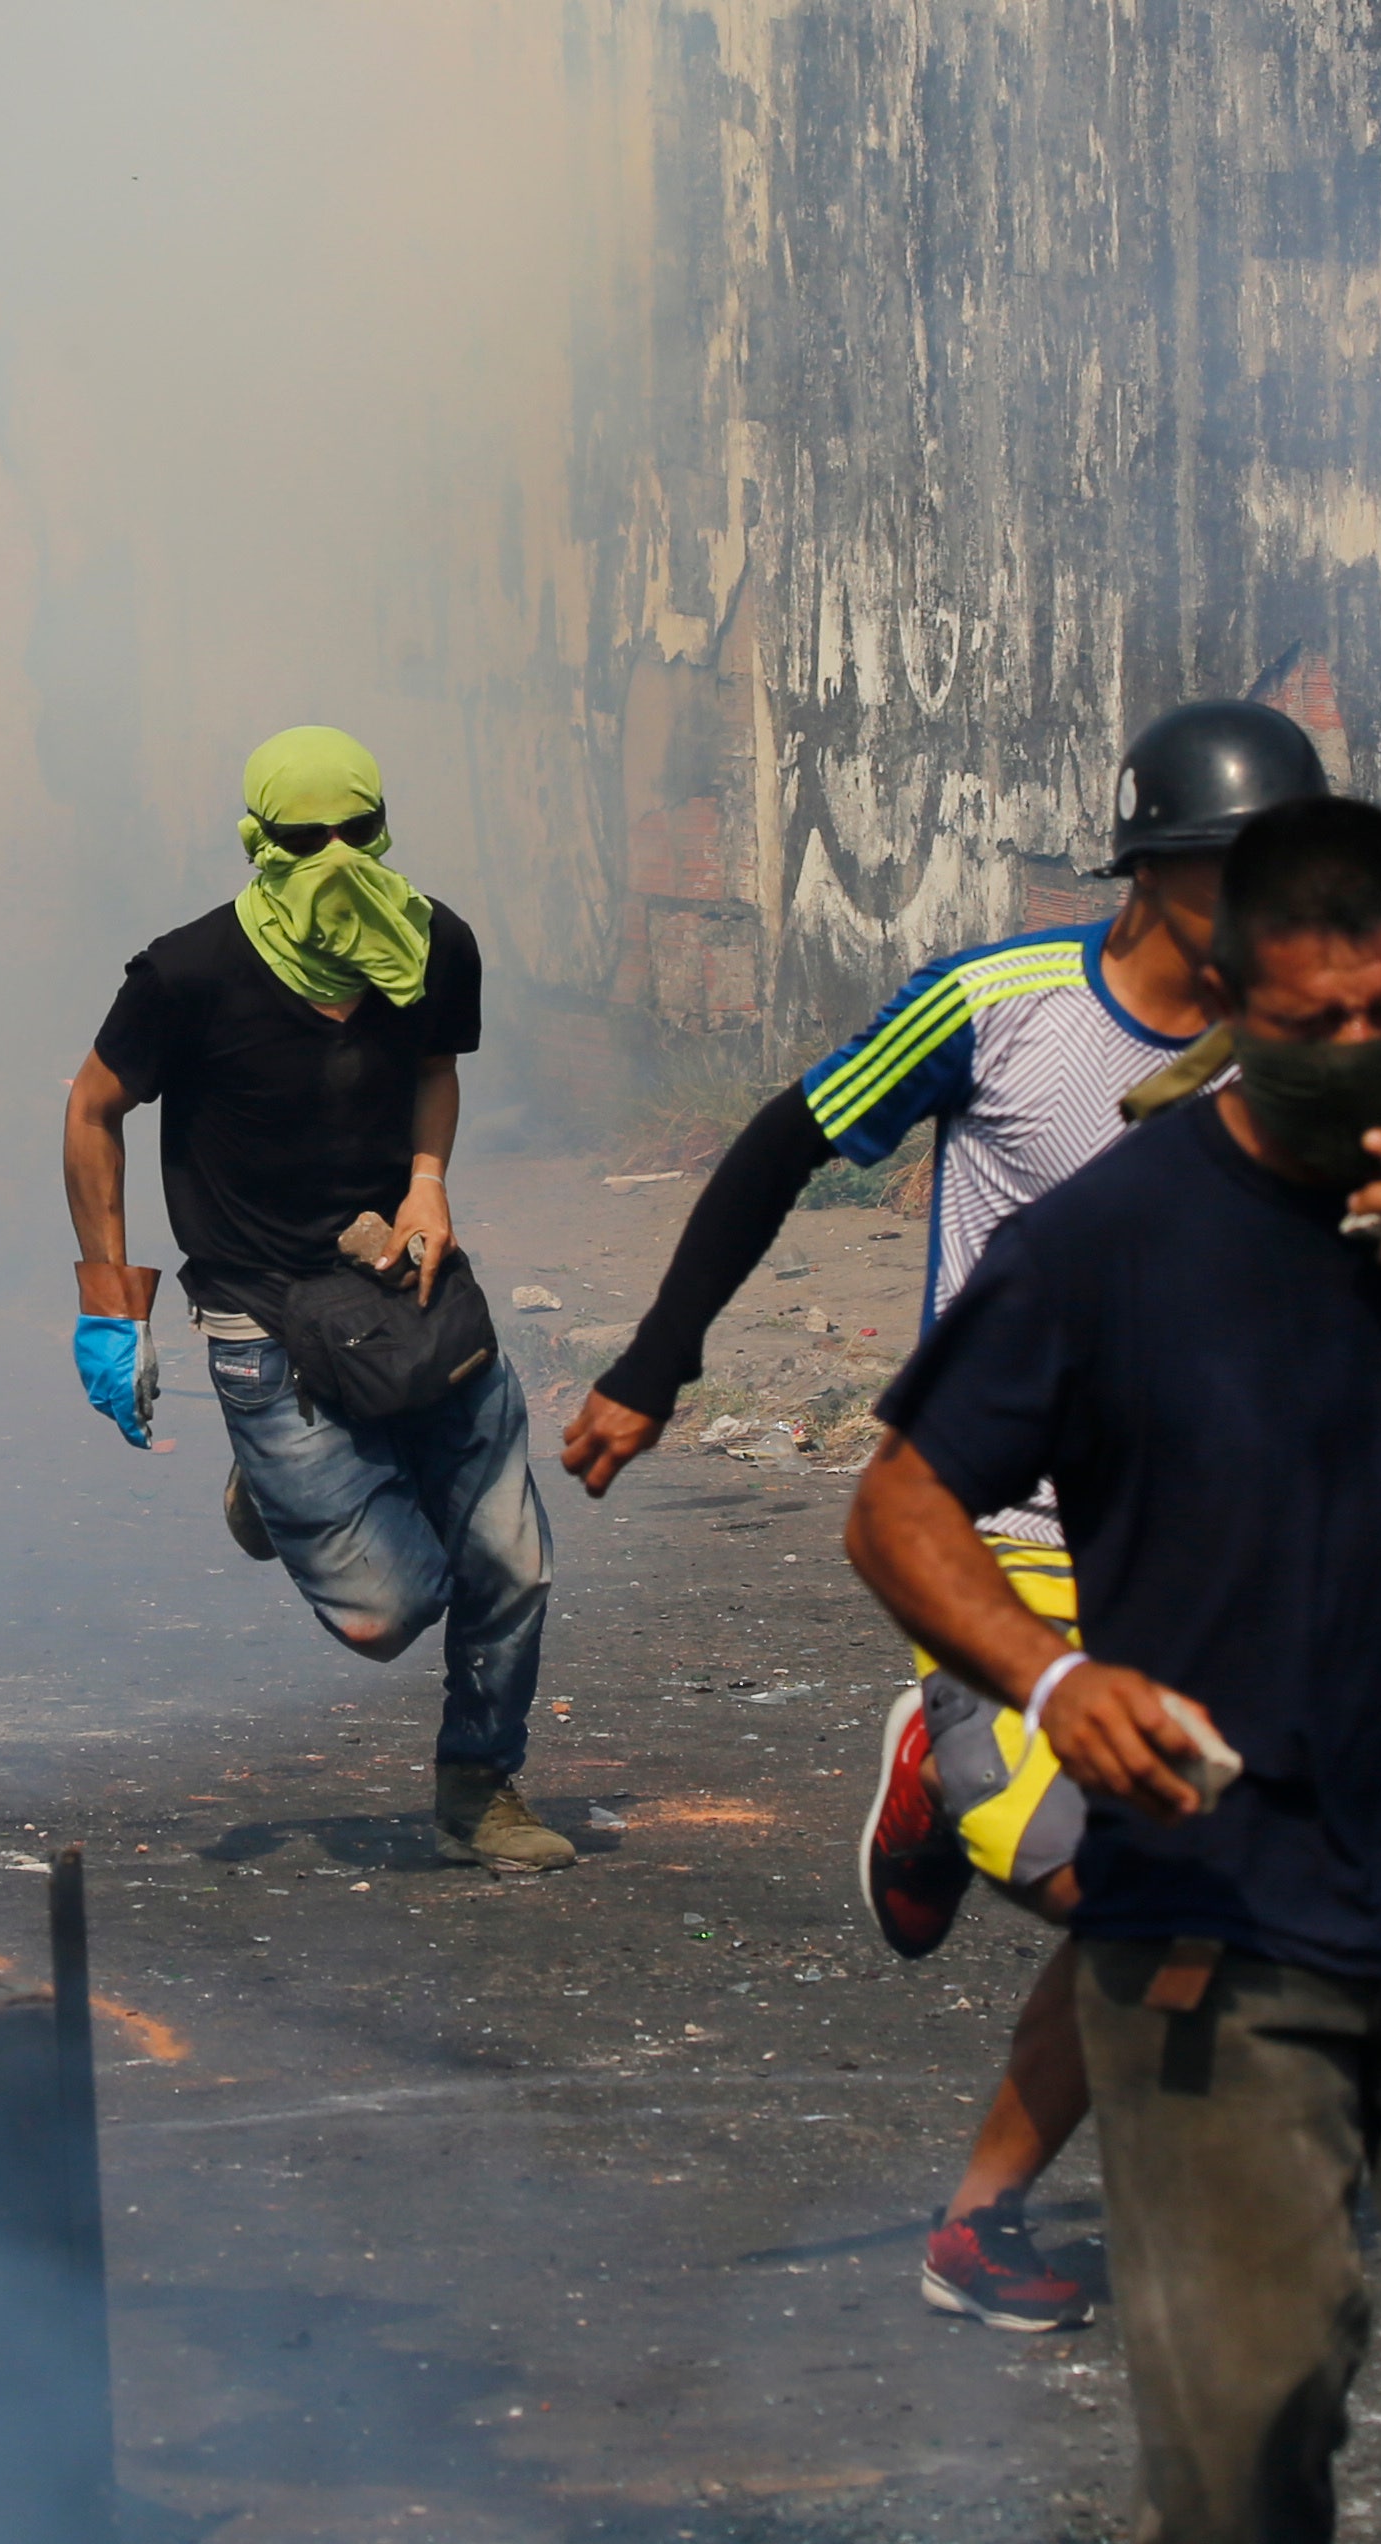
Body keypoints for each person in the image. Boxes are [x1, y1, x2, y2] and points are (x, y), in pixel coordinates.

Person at [843, 798, 1381, 2543]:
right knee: (1242, 2408)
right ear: (1228, 994)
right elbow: (896, 1502)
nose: (1347, 1054)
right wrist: (1040, 1676)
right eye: (1304, 1024)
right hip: (1212, 1906)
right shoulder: (1109, 1241)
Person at [556, 698, 1328, 2331]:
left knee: (1198, 1910)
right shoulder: (998, 1009)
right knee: (1114, 1888)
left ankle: (975, 2221)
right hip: (991, 1531)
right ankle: (939, 1755)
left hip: (1182, 1552)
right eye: (1230, 871)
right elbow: (785, 1138)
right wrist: (650, 1360)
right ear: (1144, 873)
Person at [64, 725, 569, 1871]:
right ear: (257, 843)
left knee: (511, 1560)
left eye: (356, 832)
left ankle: (480, 1788)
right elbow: (92, 1108)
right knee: (388, 1609)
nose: (335, 857)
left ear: (385, 827)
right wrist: (110, 1303)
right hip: (262, 1317)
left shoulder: (433, 943)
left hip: (404, 1282)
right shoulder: (185, 976)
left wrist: (430, 1184)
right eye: (304, 839)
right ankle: (276, 1489)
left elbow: (435, 1070)